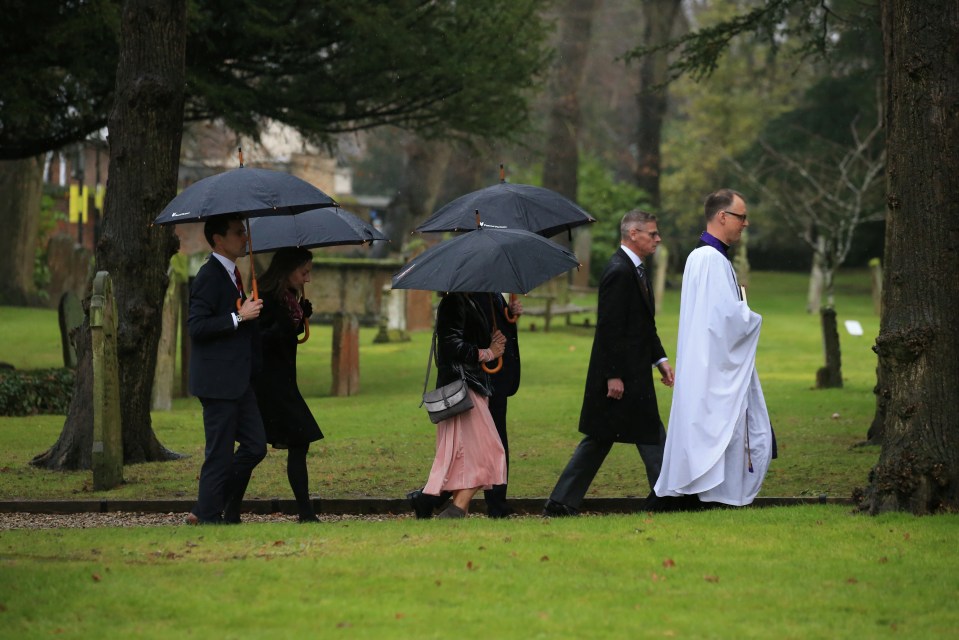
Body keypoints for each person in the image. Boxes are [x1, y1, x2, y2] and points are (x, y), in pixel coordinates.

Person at [543, 210, 675, 517]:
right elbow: (609, 327)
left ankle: (666, 495)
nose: (657, 239)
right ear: (633, 235)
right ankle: (667, 496)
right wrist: (613, 375)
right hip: (622, 376)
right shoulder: (619, 271)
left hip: (636, 372)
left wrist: (661, 360)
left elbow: (644, 325)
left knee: (641, 435)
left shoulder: (636, 270)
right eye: (652, 234)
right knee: (617, 437)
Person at [653, 188, 775, 507]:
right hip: (712, 362)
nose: (745, 223)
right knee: (722, 425)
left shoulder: (706, 257)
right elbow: (724, 320)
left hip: (707, 358)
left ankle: (709, 492)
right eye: (741, 216)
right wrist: (751, 317)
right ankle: (715, 493)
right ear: (722, 216)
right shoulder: (709, 259)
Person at [408, 292, 522, 519]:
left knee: (469, 454)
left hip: (473, 384)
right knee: (489, 452)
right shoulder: (454, 302)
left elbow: (471, 335)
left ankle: (431, 501)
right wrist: (488, 352)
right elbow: (451, 347)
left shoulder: (470, 299)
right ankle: (456, 508)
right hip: (463, 386)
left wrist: (505, 320)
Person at [186, 214, 266, 525]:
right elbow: (197, 326)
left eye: (244, 232)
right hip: (218, 382)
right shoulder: (209, 275)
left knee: (255, 445)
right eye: (237, 233)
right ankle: (208, 515)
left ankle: (207, 504)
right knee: (218, 453)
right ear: (218, 239)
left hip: (238, 380)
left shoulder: (234, 274)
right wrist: (239, 317)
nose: (245, 238)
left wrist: (250, 311)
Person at [252, 247, 324, 523]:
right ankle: (305, 513)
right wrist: (287, 325)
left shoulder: (288, 299)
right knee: (260, 445)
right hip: (270, 384)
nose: (307, 279)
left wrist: (299, 320)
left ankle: (305, 512)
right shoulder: (268, 299)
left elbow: (284, 336)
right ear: (287, 270)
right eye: (303, 272)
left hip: (284, 381)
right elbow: (261, 338)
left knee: (291, 443)